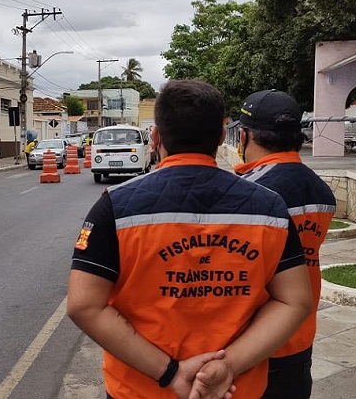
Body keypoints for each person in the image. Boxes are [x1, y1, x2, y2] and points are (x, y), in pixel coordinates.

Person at [67, 79, 312, 399]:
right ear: (222, 136)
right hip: (235, 390)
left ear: (156, 136)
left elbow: (84, 305)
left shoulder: (115, 208)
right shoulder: (269, 208)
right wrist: (229, 365)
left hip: (140, 391)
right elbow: (296, 301)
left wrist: (170, 372)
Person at [234, 90, 336, 399]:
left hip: (250, 345)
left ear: (243, 136)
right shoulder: (320, 190)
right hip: (298, 338)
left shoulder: (249, 193)